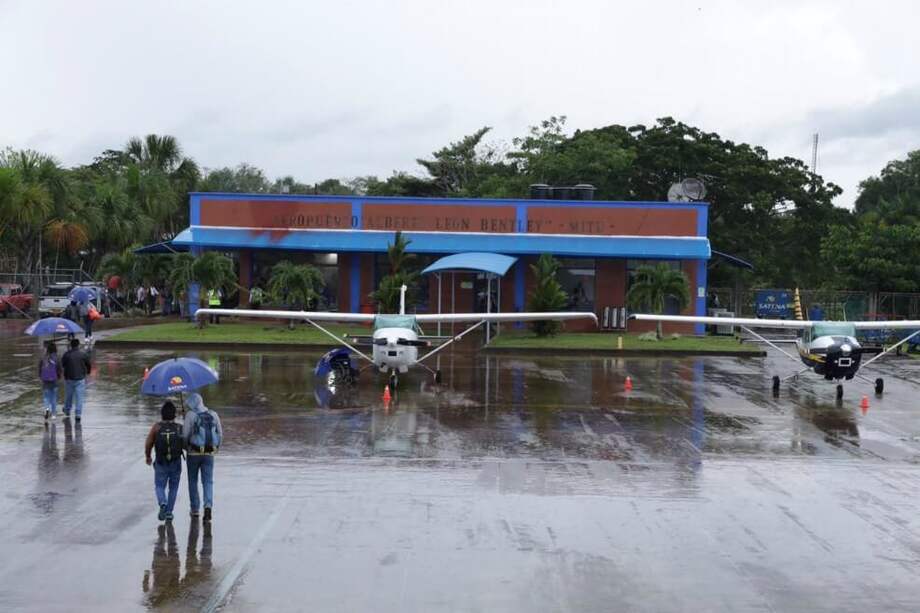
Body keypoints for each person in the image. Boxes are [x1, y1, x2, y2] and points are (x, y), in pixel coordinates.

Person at [183, 393, 222, 522]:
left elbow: (185, 436)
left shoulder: (190, 415)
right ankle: (208, 506)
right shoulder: (213, 414)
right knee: (208, 481)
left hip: (193, 454)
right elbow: (220, 434)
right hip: (209, 454)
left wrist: (186, 448)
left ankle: (195, 509)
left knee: (193, 481)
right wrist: (215, 448)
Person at [145, 401, 184, 522]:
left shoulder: (156, 427)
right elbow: (185, 444)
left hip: (161, 462)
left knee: (159, 486)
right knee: (173, 488)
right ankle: (169, 512)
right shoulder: (179, 427)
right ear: (174, 414)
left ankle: (162, 502)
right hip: (176, 462)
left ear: (162, 414)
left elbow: (148, 443)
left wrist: (148, 456)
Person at [61, 338, 91, 422]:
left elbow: (63, 364)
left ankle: (67, 410)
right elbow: (88, 364)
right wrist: (88, 372)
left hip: (69, 378)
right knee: (79, 397)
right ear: (78, 345)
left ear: (71, 345)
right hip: (80, 378)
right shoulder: (83, 354)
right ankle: (78, 414)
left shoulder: (67, 354)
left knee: (69, 396)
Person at [38, 342, 62, 421]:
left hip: (45, 380)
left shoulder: (43, 357)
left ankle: (47, 409)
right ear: (55, 349)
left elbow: (40, 369)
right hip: (54, 380)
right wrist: (59, 376)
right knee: (53, 398)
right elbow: (59, 369)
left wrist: (41, 377)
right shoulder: (57, 358)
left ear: (47, 349)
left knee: (46, 397)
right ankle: (54, 414)